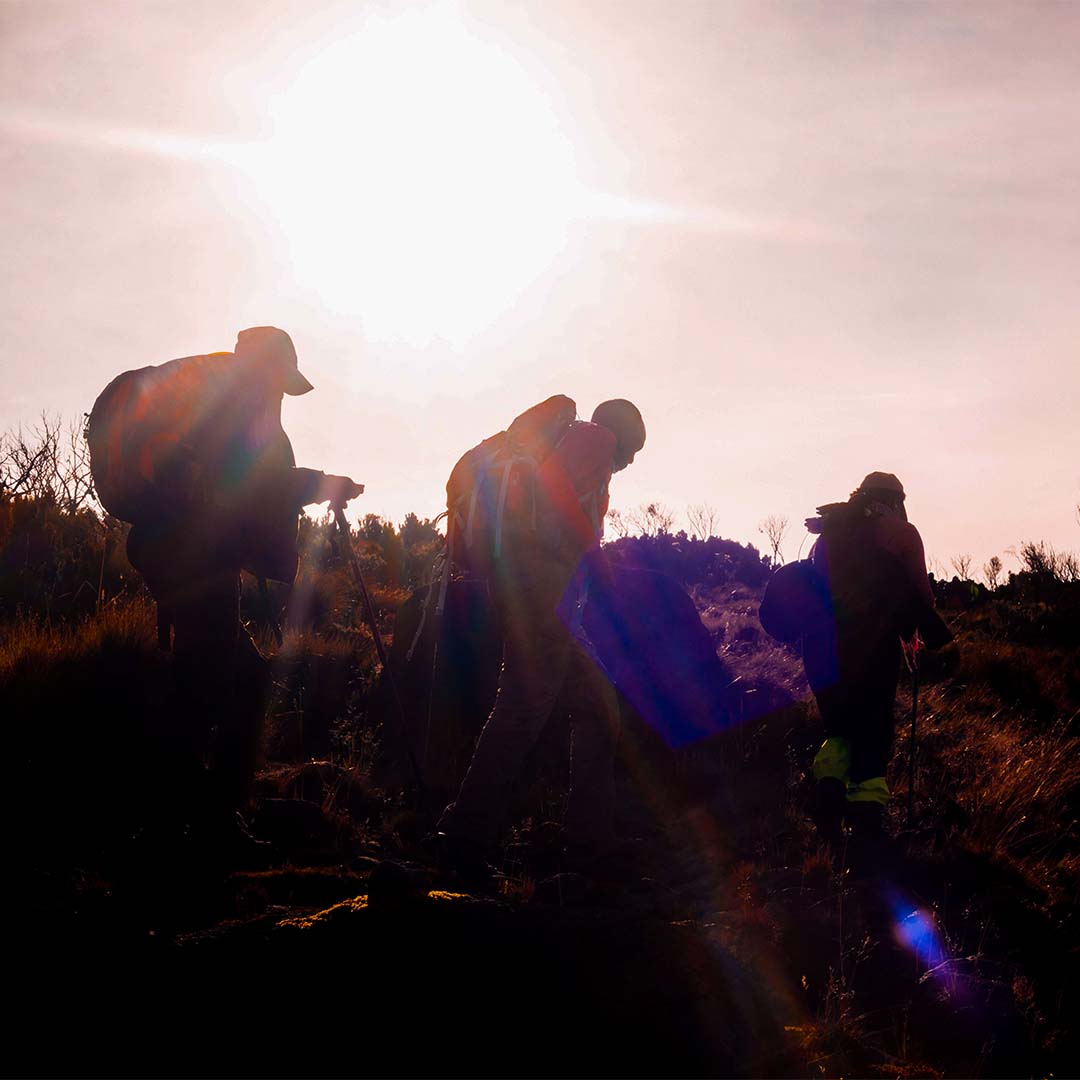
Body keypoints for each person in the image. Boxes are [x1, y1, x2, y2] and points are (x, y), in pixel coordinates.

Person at [88, 326, 363, 827]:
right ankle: (195, 819)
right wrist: (322, 484)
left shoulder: (223, 406)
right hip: (190, 553)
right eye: (280, 380)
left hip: (177, 548)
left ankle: (210, 811)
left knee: (237, 678)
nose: (281, 393)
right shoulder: (227, 412)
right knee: (208, 680)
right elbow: (249, 487)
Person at [432, 399, 646, 879]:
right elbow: (554, 489)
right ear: (626, 434)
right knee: (525, 706)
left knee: (596, 705)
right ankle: (466, 837)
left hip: (529, 586)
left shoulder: (574, 440)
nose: (629, 462)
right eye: (635, 449)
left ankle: (589, 841)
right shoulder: (595, 438)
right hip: (541, 588)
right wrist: (597, 558)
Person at [801, 471, 952, 849]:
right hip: (872, 647)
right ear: (895, 500)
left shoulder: (830, 532)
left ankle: (828, 795)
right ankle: (867, 827)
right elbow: (922, 595)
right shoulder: (901, 533)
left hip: (821, 646)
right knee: (873, 728)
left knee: (838, 728)